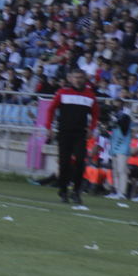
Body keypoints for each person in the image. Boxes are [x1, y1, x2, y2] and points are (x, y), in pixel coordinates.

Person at [44, 69, 100, 207]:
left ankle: (76, 191)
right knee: (64, 162)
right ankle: (63, 191)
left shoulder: (90, 96)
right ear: (71, 79)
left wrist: (91, 129)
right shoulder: (63, 93)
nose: (78, 80)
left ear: (85, 79)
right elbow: (51, 109)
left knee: (81, 160)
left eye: (81, 77)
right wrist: (48, 127)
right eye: (76, 77)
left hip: (80, 134)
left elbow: (96, 114)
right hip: (64, 132)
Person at [106, 99, 132, 199]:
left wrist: (115, 120)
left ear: (121, 107)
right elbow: (108, 130)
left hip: (122, 146)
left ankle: (122, 192)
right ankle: (116, 191)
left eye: (117, 106)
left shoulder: (126, 117)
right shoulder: (114, 117)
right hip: (114, 145)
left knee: (121, 170)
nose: (115, 109)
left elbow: (124, 129)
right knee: (115, 170)